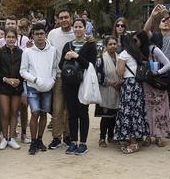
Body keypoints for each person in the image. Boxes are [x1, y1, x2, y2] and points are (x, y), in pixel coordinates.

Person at [58, 18, 97, 155]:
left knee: (83, 113)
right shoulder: (67, 45)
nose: (78, 29)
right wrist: (66, 58)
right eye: (76, 26)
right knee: (72, 114)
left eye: (80, 26)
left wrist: (77, 56)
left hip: (83, 83)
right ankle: (73, 141)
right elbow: (60, 65)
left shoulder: (90, 45)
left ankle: (83, 143)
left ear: (85, 28)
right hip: (69, 84)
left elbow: (91, 65)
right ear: (73, 28)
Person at [19, 23, 57, 155]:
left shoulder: (52, 50)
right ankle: (33, 141)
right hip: (33, 87)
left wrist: (52, 80)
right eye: (37, 34)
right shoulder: (27, 52)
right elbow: (23, 71)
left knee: (43, 113)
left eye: (42, 33)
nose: (40, 36)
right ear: (33, 36)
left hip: (47, 86)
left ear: (45, 34)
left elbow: (54, 68)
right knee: (35, 113)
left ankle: (40, 140)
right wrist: (34, 79)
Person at [132, 31, 170, 148]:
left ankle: (159, 136)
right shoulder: (138, 52)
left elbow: (168, 64)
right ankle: (148, 135)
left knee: (159, 110)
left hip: (157, 84)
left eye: (136, 40)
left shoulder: (154, 50)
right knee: (147, 110)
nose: (135, 43)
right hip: (146, 85)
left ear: (142, 40)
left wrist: (157, 72)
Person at [113, 34, 148, 155]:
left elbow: (120, 72)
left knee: (128, 112)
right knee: (137, 111)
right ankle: (137, 138)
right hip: (137, 84)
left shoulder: (124, 54)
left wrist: (118, 68)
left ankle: (132, 142)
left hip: (128, 85)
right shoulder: (136, 52)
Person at [46, 9, 75, 149]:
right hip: (58, 75)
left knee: (69, 109)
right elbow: (46, 51)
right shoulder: (52, 34)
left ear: (71, 18)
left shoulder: (77, 33)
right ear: (58, 19)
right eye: (61, 17)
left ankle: (68, 135)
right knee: (57, 108)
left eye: (66, 17)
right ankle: (56, 137)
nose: (64, 20)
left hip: (73, 77)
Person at [0, 27, 24, 150]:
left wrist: (19, 80)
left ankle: (12, 138)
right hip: (3, 86)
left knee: (14, 112)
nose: (11, 39)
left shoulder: (21, 52)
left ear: (16, 38)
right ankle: (5, 137)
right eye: (8, 37)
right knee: (5, 112)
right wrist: (5, 79)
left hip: (17, 86)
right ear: (5, 38)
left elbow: (25, 69)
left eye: (13, 37)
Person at [96, 35, 123, 148]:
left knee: (114, 116)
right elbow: (98, 76)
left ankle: (111, 136)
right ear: (106, 46)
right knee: (106, 116)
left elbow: (123, 72)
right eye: (110, 44)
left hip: (117, 90)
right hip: (106, 90)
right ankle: (102, 138)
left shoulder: (120, 58)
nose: (112, 46)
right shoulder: (101, 59)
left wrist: (119, 83)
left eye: (114, 44)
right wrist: (111, 83)